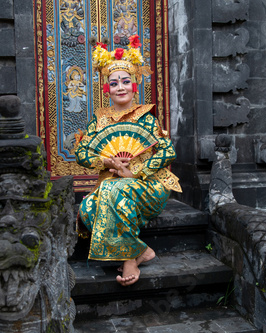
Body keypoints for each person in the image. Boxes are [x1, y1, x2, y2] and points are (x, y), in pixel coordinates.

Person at [75, 35, 182, 286]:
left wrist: (137, 171)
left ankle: (129, 260)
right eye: (114, 83)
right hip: (112, 181)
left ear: (134, 86)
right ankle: (139, 250)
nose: (120, 87)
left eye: (125, 82)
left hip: (149, 185)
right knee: (87, 210)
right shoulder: (99, 119)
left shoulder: (146, 117)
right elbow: (82, 153)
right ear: (107, 89)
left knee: (115, 188)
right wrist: (108, 163)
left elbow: (167, 152)